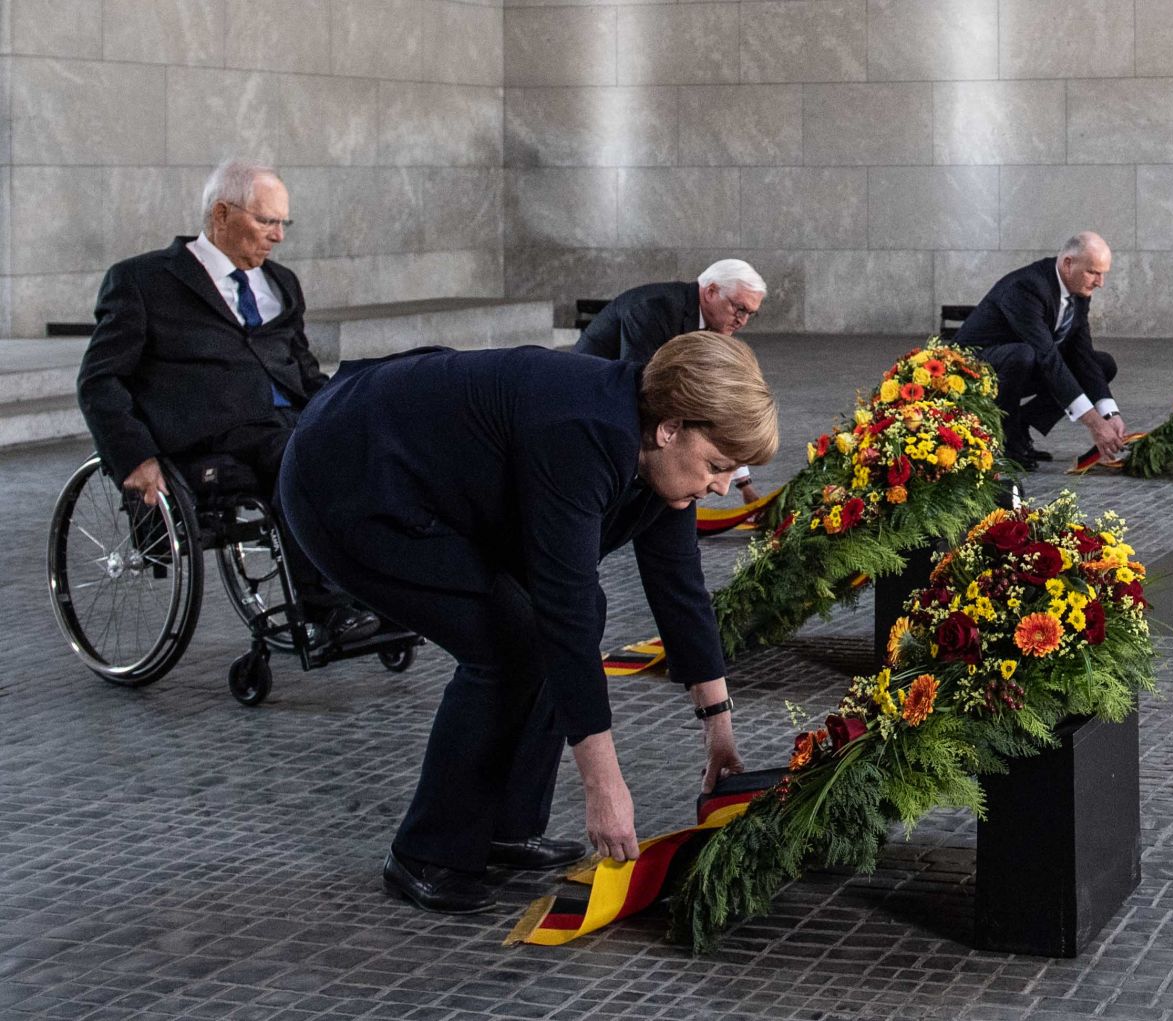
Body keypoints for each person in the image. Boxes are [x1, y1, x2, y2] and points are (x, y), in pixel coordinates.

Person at [277, 332, 778, 913]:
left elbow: (680, 591)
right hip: (350, 480)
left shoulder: (655, 447)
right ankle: (427, 854)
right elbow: (558, 610)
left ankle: (508, 827)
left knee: (575, 617)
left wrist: (720, 733)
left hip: (434, 479)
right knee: (509, 644)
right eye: (717, 466)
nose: (722, 486)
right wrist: (603, 787)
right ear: (670, 428)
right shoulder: (582, 431)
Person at [76, 157, 378, 646]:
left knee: (381, 446)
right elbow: (99, 378)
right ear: (221, 214)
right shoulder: (144, 282)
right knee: (299, 459)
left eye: (284, 222)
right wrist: (133, 456)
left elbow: (301, 368)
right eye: (266, 221)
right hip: (213, 434)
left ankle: (388, 591)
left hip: (292, 420)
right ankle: (324, 607)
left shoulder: (281, 283)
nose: (278, 235)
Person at [575, 259, 769, 502]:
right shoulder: (654, 309)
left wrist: (744, 484)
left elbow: (718, 407)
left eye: (751, 313)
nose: (743, 321)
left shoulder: (710, 325)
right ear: (710, 292)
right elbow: (641, 393)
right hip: (587, 414)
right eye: (739, 309)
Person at [953, 232, 1125, 471]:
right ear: (1068, 264)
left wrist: (1109, 414)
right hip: (975, 366)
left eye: (1103, 273)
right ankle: (1007, 440)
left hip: (1025, 362)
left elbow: (1082, 354)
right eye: (1093, 272)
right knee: (1024, 355)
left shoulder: (1079, 289)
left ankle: (1022, 424)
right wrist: (1094, 424)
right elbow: (1047, 357)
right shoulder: (1028, 287)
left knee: (1102, 364)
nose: (1100, 282)